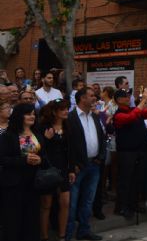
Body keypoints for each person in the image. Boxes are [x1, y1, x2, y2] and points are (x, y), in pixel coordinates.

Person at [66, 87, 106, 241]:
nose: (94, 98)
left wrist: (100, 157)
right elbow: (68, 144)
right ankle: (68, 234)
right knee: (72, 203)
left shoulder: (95, 117)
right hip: (77, 167)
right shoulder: (70, 118)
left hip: (94, 165)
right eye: (91, 95)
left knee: (88, 201)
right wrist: (73, 164)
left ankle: (84, 230)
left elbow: (102, 138)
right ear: (82, 98)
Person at [0, 103, 44, 241]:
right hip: (14, 185)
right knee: (14, 221)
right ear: (19, 116)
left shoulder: (37, 133)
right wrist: (23, 160)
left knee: (31, 219)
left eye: (33, 114)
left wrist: (40, 160)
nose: (32, 116)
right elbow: (3, 159)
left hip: (33, 183)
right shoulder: (9, 135)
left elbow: (45, 157)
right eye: (28, 114)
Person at [113, 88, 147, 219]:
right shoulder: (118, 115)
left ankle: (134, 204)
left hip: (139, 151)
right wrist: (143, 100)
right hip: (126, 153)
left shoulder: (133, 110)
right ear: (119, 100)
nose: (128, 98)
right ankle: (122, 207)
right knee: (125, 180)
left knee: (137, 180)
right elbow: (131, 117)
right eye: (126, 96)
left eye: (128, 96)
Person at [38, 98, 76, 241]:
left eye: (67, 108)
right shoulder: (44, 127)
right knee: (46, 204)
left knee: (65, 203)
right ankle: (45, 236)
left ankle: (62, 235)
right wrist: (47, 139)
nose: (66, 111)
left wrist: (71, 169)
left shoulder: (68, 127)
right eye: (63, 109)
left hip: (63, 170)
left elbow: (71, 150)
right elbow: (39, 150)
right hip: (47, 170)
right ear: (54, 112)